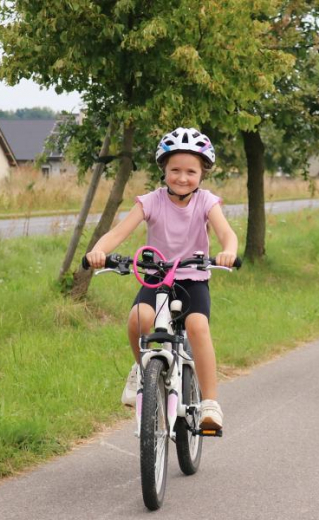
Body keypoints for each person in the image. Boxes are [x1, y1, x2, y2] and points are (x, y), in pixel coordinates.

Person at [85, 127, 238, 430]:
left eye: (191, 171)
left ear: (202, 174)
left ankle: (210, 402)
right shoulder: (150, 201)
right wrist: (98, 251)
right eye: (175, 170)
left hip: (192, 279)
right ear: (164, 170)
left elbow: (225, 233)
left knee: (197, 325)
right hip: (157, 279)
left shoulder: (206, 202)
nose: (183, 177)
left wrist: (228, 251)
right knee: (137, 319)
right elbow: (118, 232)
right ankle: (143, 371)